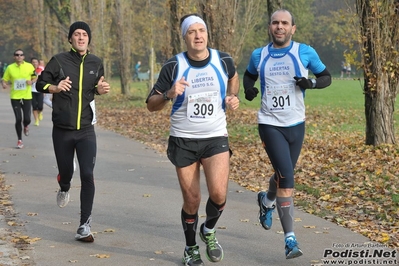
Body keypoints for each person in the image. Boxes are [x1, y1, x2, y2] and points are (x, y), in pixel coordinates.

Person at [146, 13, 239, 266]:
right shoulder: (173, 66)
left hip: (215, 137)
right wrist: (168, 93)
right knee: (193, 200)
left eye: (202, 31)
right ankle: (190, 248)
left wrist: (232, 96)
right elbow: (151, 105)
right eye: (192, 32)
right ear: (185, 37)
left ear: (207, 34)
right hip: (183, 140)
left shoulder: (223, 59)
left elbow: (233, 76)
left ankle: (208, 230)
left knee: (219, 195)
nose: (198, 36)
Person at [243, 9, 332, 260]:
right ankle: (290, 239)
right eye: (275, 23)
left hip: (296, 124)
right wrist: (249, 90)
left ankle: (267, 200)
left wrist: (310, 83)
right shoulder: (259, 55)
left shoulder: (304, 52)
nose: (279, 27)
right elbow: (249, 75)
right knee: (288, 177)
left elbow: (326, 77)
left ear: (293, 28)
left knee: (283, 175)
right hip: (270, 124)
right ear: (269, 27)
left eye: (284, 23)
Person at [36, 21, 110, 242]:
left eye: (84, 34)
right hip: (63, 130)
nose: (80, 38)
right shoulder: (58, 60)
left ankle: (84, 225)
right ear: (70, 38)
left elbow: (95, 88)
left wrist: (100, 90)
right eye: (76, 34)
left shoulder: (96, 63)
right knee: (67, 172)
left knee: (88, 174)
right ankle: (64, 184)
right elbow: (40, 84)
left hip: (86, 129)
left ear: (88, 39)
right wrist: (55, 88)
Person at [1, 49, 36, 149]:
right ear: (14, 57)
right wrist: (4, 84)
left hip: (26, 96)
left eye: (21, 55)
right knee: (18, 118)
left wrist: (32, 81)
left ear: (24, 57)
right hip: (15, 96)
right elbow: (5, 79)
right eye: (17, 55)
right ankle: (19, 140)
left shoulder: (29, 66)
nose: (19, 56)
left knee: (27, 119)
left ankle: (26, 126)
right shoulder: (10, 68)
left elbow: (35, 76)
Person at [30, 57, 44, 126]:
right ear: (31, 63)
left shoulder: (41, 70)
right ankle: (36, 120)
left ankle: (40, 112)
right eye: (33, 62)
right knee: (34, 106)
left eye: (36, 62)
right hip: (31, 90)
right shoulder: (29, 70)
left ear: (38, 63)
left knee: (40, 106)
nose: (34, 63)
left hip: (40, 90)